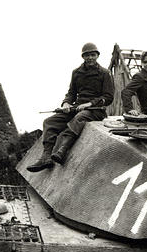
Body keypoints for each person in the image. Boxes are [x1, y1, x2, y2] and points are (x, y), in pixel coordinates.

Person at [27, 42, 114, 172]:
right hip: (76, 107)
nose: (90, 58)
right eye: (87, 55)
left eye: (92, 55)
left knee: (79, 118)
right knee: (50, 122)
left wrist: (90, 104)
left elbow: (108, 97)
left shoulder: (104, 73)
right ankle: (46, 157)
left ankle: (63, 150)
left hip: (95, 110)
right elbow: (71, 93)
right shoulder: (76, 73)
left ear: (97, 56)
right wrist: (66, 103)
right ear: (82, 57)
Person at [120, 51, 147, 116]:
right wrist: (130, 109)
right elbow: (126, 92)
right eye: (145, 62)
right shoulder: (140, 77)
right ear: (142, 63)